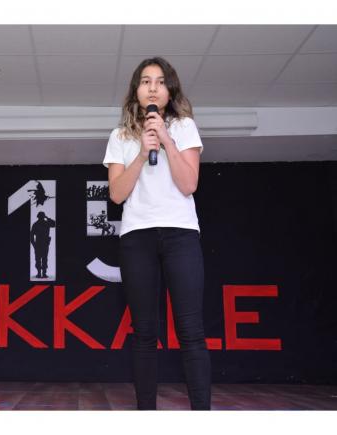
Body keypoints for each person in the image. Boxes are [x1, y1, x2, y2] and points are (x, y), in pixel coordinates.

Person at [103, 57, 211, 410]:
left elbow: (189, 184)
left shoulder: (184, 127)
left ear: (170, 90)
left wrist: (165, 139)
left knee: (191, 330)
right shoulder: (120, 136)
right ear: (136, 90)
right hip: (138, 236)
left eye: (161, 81)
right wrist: (141, 154)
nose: (153, 88)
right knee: (145, 332)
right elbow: (117, 194)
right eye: (146, 81)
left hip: (181, 234)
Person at [30, 211, 56, 278]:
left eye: (42, 217)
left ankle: (42, 273)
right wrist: (34, 244)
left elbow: (55, 224)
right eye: (41, 216)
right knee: (40, 259)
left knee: (42, 258)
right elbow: (31, 235)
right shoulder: (40, 224)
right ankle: (40, 273)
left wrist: (47, 218)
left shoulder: (44, 223)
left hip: (43, 244)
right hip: (40, 244)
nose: (41, 218)